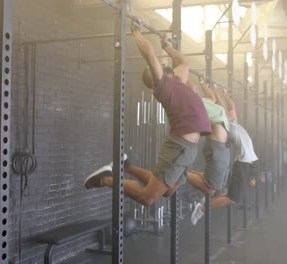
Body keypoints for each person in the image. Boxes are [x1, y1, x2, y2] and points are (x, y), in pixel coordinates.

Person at [84, 19, 211, 206]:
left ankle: (126, 167)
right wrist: (136, 30)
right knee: (147, 197)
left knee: (168, 192)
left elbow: (184, 62)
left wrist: (167, 46)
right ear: (153, 79)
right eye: (156, 67)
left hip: (189, 149)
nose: (160, 64)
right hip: (180, 146)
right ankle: (104, 179)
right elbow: (149, 53)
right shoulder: (162, 87)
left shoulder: (177, 81)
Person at [191, 88, 258, 225]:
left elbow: (231, 106)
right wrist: (216, 91)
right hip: (243, 163)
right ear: (226, 116)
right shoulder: (226, 123)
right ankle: (202, 209)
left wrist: (225, 93)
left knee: (232, 195)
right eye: (229, 113)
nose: (232, 113)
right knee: (233, 198)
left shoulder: (234, 123)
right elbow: (221, 106)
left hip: (250, 162)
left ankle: (206, 202)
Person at [185, 79, 231, 218]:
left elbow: (212, 97)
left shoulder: (203, 101)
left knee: (218, 185)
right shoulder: (194, 103)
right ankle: (180, 172)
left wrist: (202, 83)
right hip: (216, 146)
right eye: (192, 87)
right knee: (211, 188)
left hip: (221, 147)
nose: (195, 89)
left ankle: (183, 171)